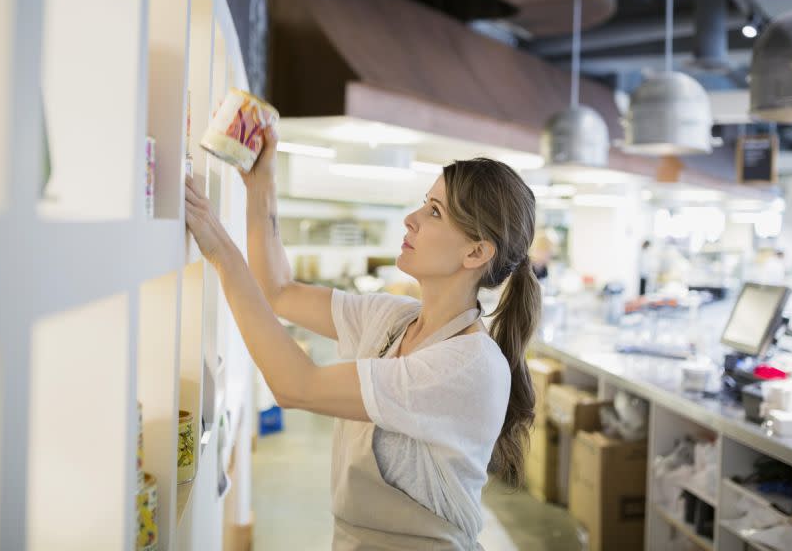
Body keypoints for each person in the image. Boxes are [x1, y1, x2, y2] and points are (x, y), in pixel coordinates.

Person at [185, 126, 541, 550]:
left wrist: (222, 252)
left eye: (434, 212)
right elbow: (277, 289)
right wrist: (261, 181)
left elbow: (296, 386)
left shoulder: (470, 364)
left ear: (477, 253)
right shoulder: (392, 319)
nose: (411, 218)